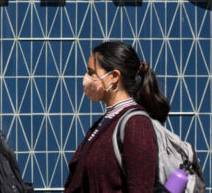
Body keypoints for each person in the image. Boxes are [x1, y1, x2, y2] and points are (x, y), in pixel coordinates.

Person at [64, 41, 171, 192]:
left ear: (114, 76)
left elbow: (140, 188)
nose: (87, 78)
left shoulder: (136, 124)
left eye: (91, 72)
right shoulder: (107, 121)